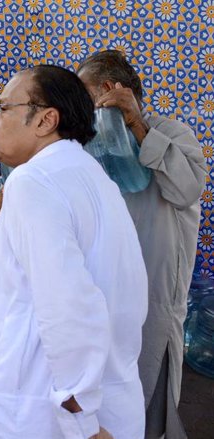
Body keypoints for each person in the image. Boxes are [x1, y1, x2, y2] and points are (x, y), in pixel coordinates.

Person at [0, 65, 148, 439]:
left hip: (45, 413)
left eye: (3, 108)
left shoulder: (32, 181)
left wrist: (82, 421)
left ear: (45, 120)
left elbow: (70, 307)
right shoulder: (88, 173)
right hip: (110, 399)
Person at [78, 50, 207, 439]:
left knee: (147, 392)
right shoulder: (94, 143)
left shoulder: (171, 133)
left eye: (86, 96)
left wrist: (137, 126)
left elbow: (186, 189)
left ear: (110, 90)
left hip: (155, 296)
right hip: (105, 295)